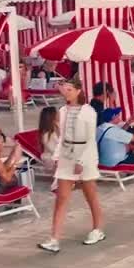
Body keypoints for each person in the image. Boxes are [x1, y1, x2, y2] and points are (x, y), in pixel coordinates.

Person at [39, 79, 104, 253]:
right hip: (67, 155)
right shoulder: (62, 111)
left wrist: (81, 161)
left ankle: (97, 229)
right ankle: (54, 238)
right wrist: (57, 156)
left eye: (70, 89)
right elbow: (62, 138)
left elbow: (90, 137)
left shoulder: (88, 111)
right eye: (64, 89)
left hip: (85, 155)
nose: (66, 92)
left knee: (90, 194)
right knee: (61, 198)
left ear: (78, 91)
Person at [36, 106, 60, 177]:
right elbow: (55, 151)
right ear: (52, 117)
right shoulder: (46, 135)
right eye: (57, 113)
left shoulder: (58, 127)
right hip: (51, 158)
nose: (60, 113)